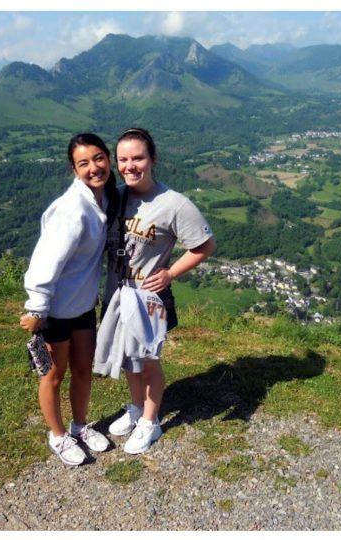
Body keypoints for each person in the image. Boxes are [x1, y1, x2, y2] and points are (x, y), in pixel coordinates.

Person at [100, 127, 215, 454]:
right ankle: (137, 409)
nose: (130, 165)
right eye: (123, 159)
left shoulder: (173, 204)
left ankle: (150, 422)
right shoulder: (117, 196)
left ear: (153, 159)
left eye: (138, 157)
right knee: (127, 358)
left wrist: (169, 273)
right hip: (118, 294)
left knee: (148, 361)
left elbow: (205, 246)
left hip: (148, 298)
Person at [19, 133, 117, 466]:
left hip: (83, 306)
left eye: (99, 158)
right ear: (73, 169)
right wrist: (36, 306)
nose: (94, 167)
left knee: (84, 371)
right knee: (54, 375)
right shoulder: (72, 210)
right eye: (83, 163)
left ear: (108, 157)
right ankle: (58, 436)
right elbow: (46, 260)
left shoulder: (103, 200)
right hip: (57, 311)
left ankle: (80, 425)